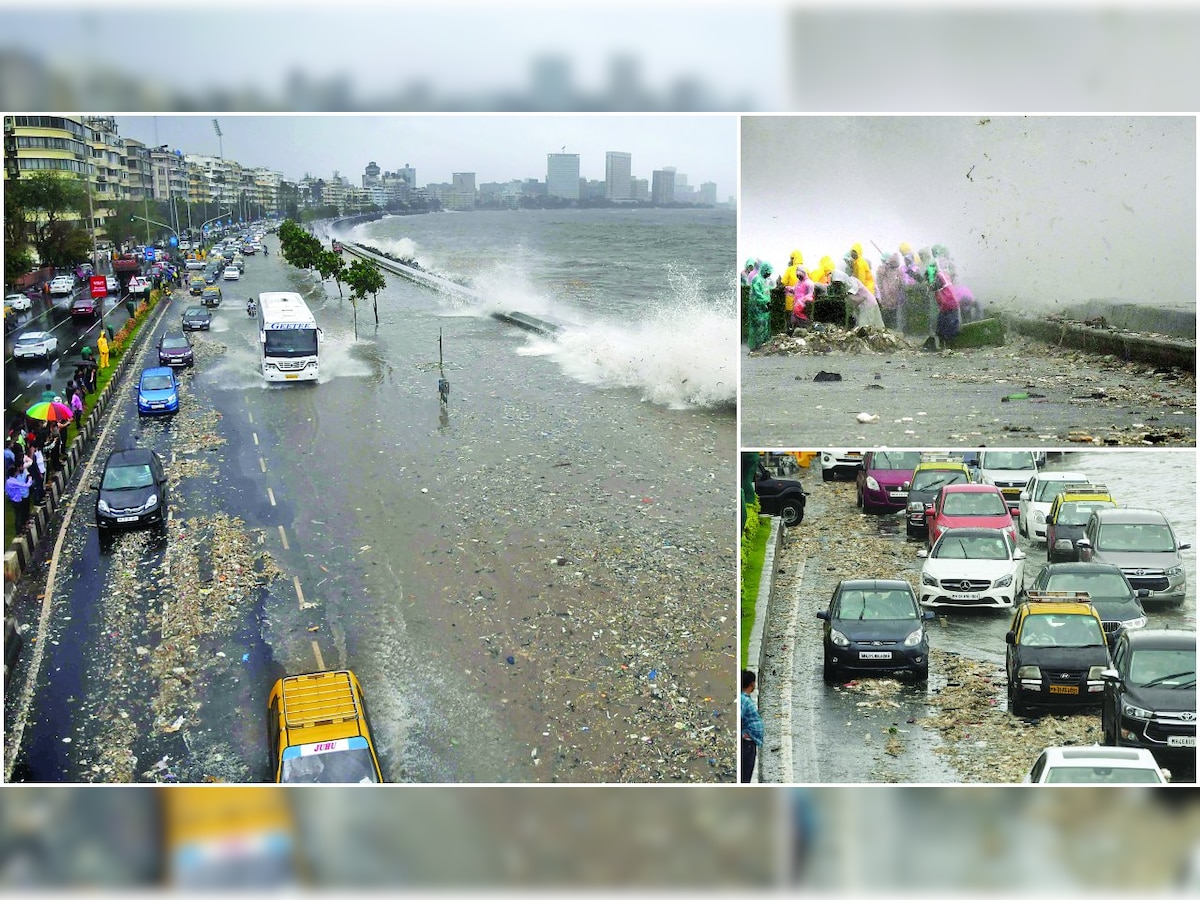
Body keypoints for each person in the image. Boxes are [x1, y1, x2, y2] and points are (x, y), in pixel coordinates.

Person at [740, 669, 764, 783]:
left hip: (749, 743)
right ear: (752, 684)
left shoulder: (744, 699)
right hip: (746, 744)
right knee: (745, 777)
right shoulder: (743, 700)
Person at [875, 253, 907, 331]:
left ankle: (892, 330)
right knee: (886, 315)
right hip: (885, 298)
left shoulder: (899, 271)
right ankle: (886, 329)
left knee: (893, 316)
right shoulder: (883, 269)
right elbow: (879, 278)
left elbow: (901, 284)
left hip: (894, 298)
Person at [747, 261, 773, 351]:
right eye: (768, 272)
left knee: (765, 326)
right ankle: (755, 346)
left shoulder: (765, 280)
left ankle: (762, 344)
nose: (769, 274)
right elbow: (757, 294)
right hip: (757, 308)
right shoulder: (756, 279)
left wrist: (768, 303)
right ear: (764, 270)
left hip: (764, 308)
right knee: (758, 326)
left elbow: (766, 293)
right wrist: (766, 301)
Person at [787, 266, 814, 334]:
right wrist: (789, 289)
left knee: (803, 323)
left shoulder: (809, 283)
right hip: (796, 307)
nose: (798, 277)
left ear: (804, 273)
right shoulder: (798, 282)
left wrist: (801, 301)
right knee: (795, 323)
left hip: (804, 307)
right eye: (797, 275)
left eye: (800, 275)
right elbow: (795, 290)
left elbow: (810, 295)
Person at [6, 465, 33, 534]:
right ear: (14, 473)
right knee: (19, 515)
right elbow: (26, 485)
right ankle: (19, 530)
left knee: (18, 514)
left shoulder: (8, 481)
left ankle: (20, 528)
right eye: (16, 472)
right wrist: (30, 479)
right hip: (17, 500)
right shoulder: (14, 482)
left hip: (13, 500)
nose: (18, 473)